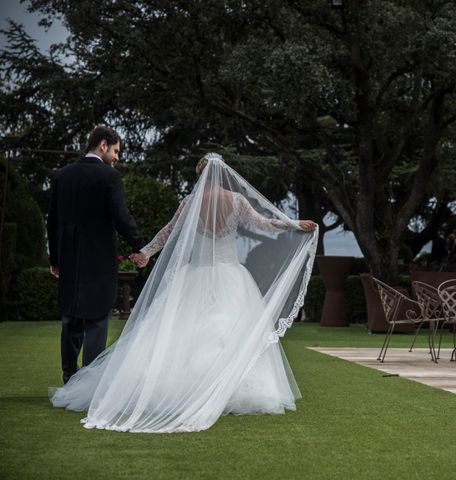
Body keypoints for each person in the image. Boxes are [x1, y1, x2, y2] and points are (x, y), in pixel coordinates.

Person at [50, 153, 318, 433]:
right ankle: (228, 388)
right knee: (228, 331)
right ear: (222, 173)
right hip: (231, 276)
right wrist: (294, 224)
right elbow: (264, 223)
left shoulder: (191, 202)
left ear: (200, 174)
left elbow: (168, 233)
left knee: (181, 331)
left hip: (194, 276)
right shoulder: (236, 201)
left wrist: (145, 252)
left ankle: (177, 388)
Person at [47, 126, 145, 384]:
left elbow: (52, 222)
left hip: (69, 259)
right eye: (115, 151)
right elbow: (121, 217)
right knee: (97, 320)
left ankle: (69, 378)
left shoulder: (62, 175)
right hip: (99, 260)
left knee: (71, 320)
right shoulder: (109, 177)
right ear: (103, 145)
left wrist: (54, 260)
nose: (117, 158)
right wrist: (139, 246)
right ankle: (90, 384)